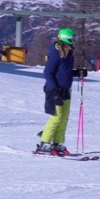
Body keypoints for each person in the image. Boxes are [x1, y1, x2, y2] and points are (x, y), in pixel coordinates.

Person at [37, 28, 76, 156]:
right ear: (67, 38)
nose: (74, 41)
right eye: (73, 38)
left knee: (64, 118)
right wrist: (54, 91)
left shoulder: (68, 52)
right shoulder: (56, 51)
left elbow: (64, 71)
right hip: (55, 90)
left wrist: (77, 72)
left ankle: (57, 143)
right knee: (56, 117)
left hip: (65, 89)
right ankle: (45, 143)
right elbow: (48, 73)